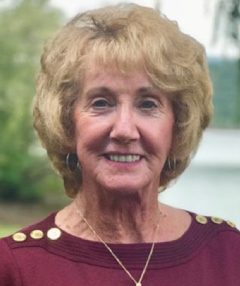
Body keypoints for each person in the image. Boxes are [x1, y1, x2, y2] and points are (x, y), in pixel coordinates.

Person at [0, 3, 239, 286]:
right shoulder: (14, 268)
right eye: (101, 103)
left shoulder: (228, 252)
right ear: (66, 121)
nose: (125, 130)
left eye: (148, 104)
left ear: (177, 125)